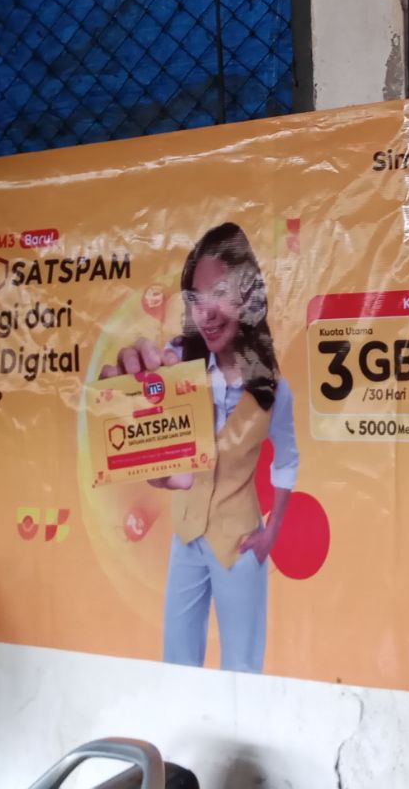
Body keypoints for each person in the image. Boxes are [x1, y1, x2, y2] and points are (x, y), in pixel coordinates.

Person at [102, 222, 297, 673]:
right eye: (195, 298)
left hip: (239, 543)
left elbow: (287, 461)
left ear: (247, 296)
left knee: (242, 667)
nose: (206, 313)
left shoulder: (272, 388)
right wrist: (126, 405)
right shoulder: (177, 366)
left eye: (220, 294)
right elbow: (153, 446)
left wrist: (272, 532)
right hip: (186, 537)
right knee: (177, 663)